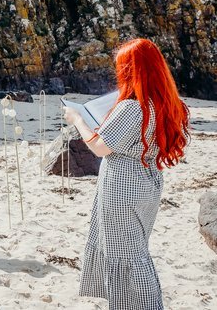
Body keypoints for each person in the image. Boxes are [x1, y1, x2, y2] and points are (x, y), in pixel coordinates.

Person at [63, 38, 190, 310]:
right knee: (136, 251)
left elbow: (99, 147)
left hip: (122, 186)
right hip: (149, 182)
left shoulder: (131, 107)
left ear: (132, 70)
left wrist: (78, 121)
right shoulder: (167, 102)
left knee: (126, 256)